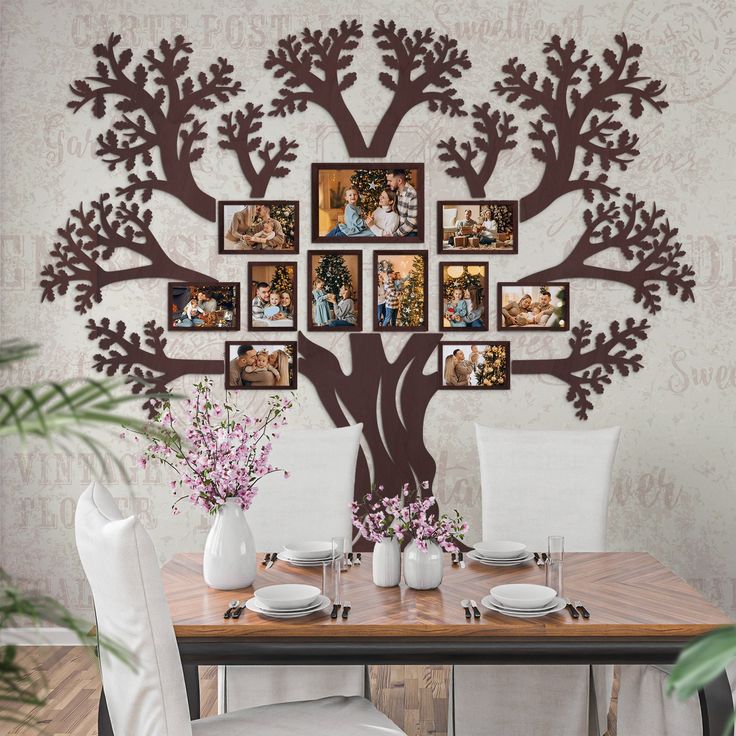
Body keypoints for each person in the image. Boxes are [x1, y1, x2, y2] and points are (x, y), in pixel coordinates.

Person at [386, 169, 418, 236]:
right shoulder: (395, 191)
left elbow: (411, 222)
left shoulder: (412, 195)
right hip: (397, 229)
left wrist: (394, 235)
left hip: (410, 232)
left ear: (399, 181)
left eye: (390, 181)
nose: (387, 183)